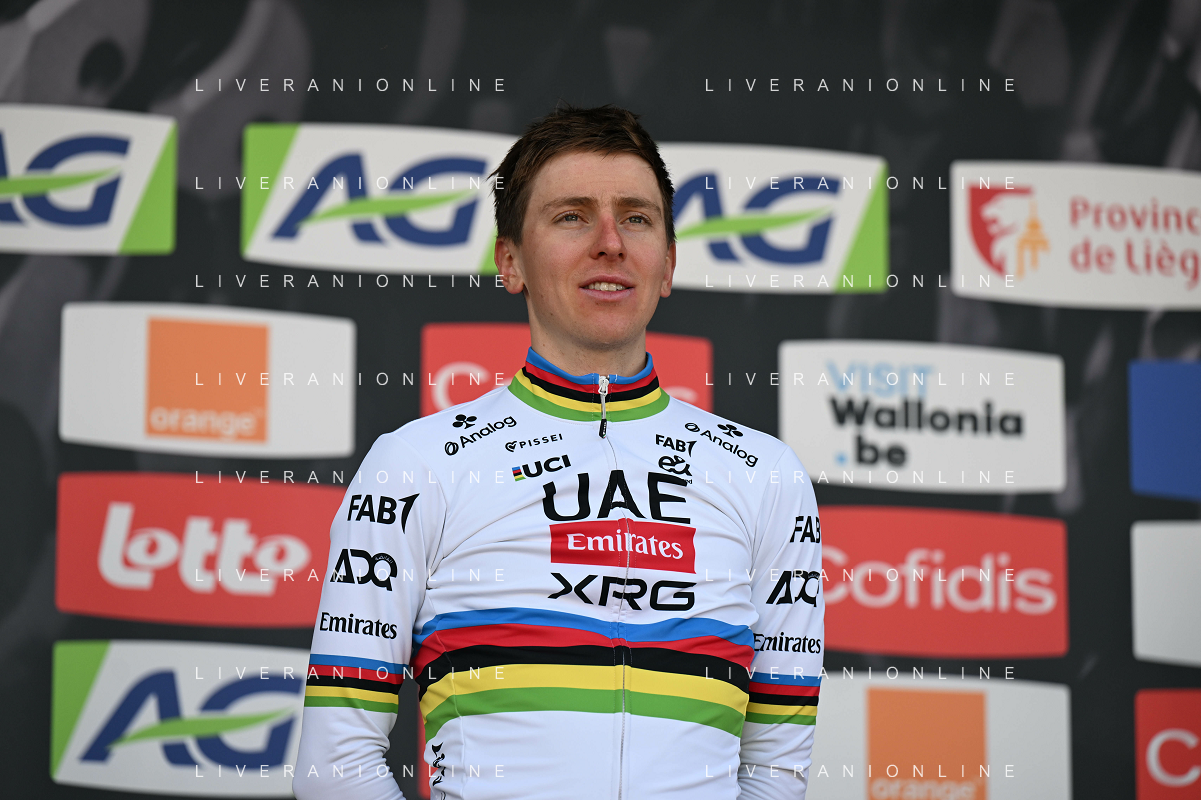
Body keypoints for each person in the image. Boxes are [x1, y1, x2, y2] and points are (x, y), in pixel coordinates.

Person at [293, 105, 824, 800]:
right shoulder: (417, 466)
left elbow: (776, 766)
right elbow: (335, 763)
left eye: (636, 218)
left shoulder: (765, 475)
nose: (610, 243)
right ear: (509, 262)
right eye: (572, 216)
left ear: (668, 264)